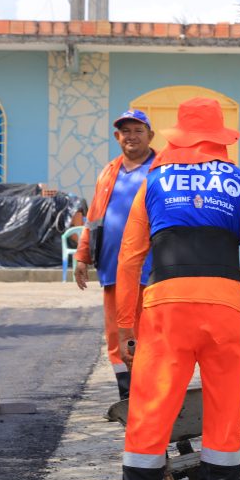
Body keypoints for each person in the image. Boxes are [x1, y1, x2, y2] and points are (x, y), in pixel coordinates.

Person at [113, 97, 240, 480]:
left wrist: (126, 323)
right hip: (226, 310)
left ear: (179, 138)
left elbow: (129, 259)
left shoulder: (154, 182)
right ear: (220, 139)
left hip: (165, 310)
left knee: (148, 420)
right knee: (223, 423)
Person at [74, 109, 156, 400]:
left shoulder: (162, 169)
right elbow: (94, 217)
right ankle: (127, 396)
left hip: (152, 271)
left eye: (138, 130)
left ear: (150, 136)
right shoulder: (109, 171)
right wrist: (82, 255)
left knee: (149, 333)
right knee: (116, 335)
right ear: (117, 136)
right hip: (112, 269)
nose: (131, 136)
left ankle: (149, 394)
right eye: (126, 131)